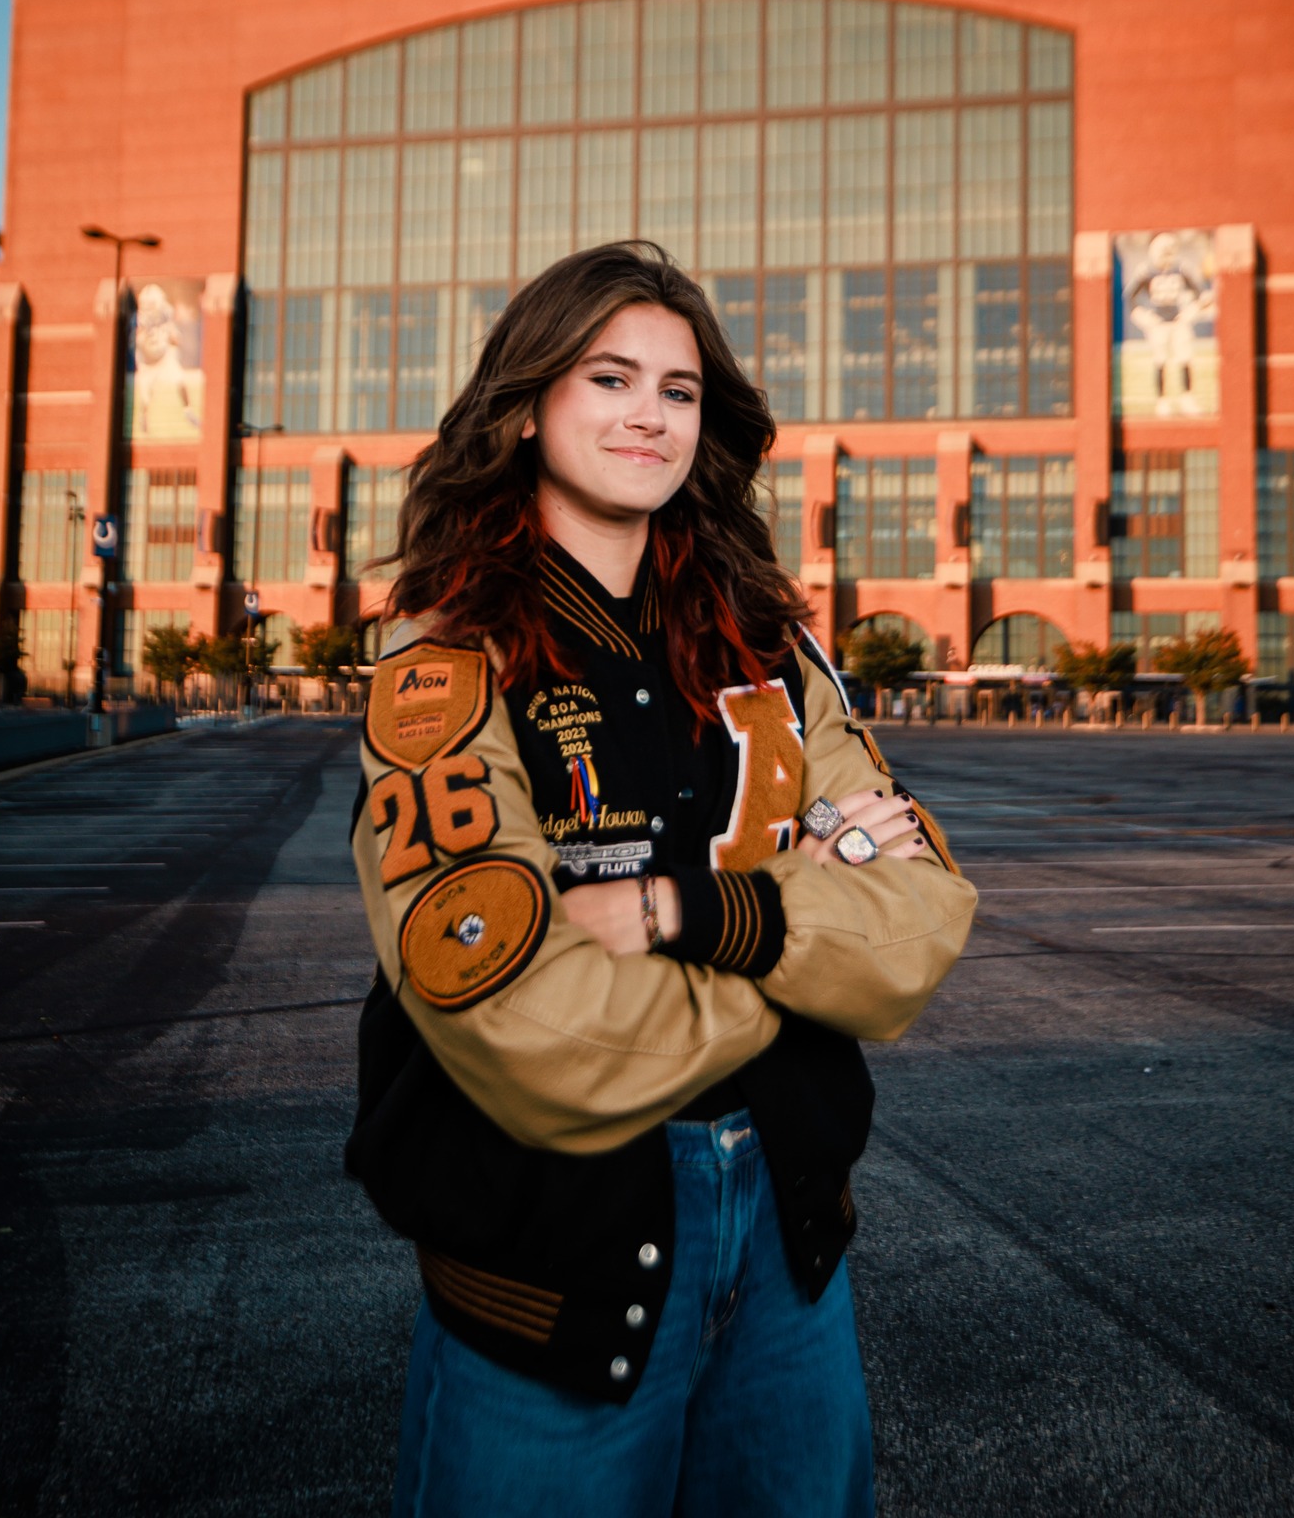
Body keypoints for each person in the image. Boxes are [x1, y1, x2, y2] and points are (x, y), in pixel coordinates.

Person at [346, 241, 977, 1518]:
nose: (649, 414)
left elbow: (920, 921)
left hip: (795, 1256)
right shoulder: (448, 656)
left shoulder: (772, 646)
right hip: (553, 1277)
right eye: (610, 378)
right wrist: (803, 950)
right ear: (527, 407)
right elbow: (523, 1026)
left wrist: (674, 912)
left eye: (679, 391)